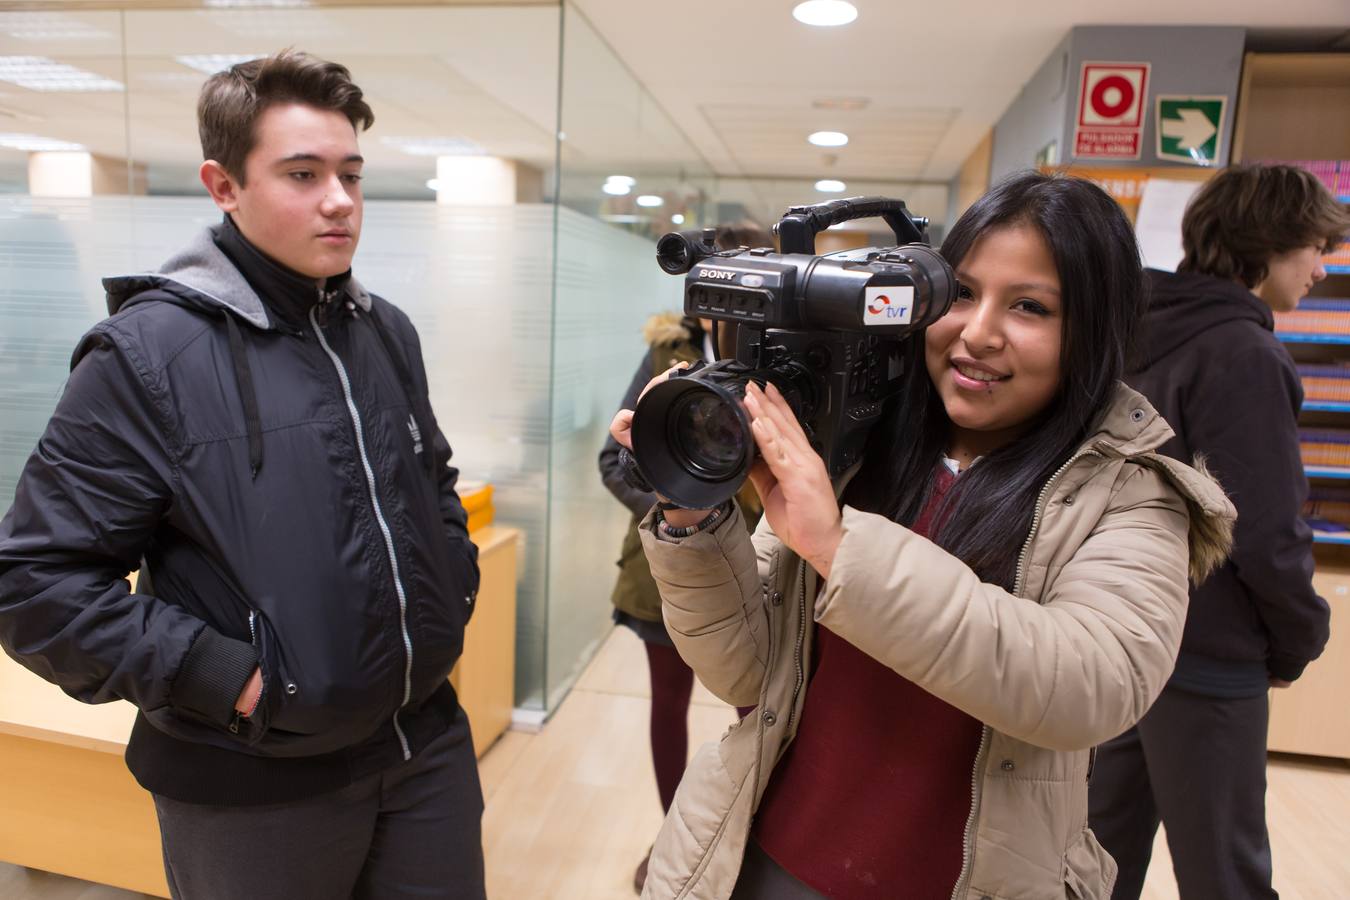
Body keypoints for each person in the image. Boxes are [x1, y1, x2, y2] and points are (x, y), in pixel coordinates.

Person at [609, 171, 1236, 900]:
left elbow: (1090, 686)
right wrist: (690, 512)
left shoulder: (1128, 494)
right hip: (763, 860)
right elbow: (747, 673)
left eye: (1030, 306)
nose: (978, 333)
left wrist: (840, 548)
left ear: (1093, 332)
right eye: (962, 293)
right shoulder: (860, 444)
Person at [0, 51, 484, 900]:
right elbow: (34, 582)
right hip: (253, 785)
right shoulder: (146, 355)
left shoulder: (384, 332)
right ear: (223, 186)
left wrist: (452, 590)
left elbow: (431, 483)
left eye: (351, 173)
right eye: (303, 173)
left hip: (424, 748)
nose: (339, 199)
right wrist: (229, 680)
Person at [1089, 164, 1345, 900]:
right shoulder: (1244, 353)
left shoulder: (1134, 330)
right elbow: (1265, 532)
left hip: (1122, 634)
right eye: (1314, 249)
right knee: (1225, 873)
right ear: (1267, 246)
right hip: (1211, 651)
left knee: (1095, 858)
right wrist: (1300, 636)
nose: (1321, 270)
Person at [600, 222, 770, 894]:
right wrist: (686, 501)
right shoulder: (669, 353)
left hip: (766, 565)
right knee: (667, 703)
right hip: (662, 568)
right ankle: (674, 834)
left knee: (758, 708)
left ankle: (751, 840)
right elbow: (614, 459)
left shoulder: (795, 363)